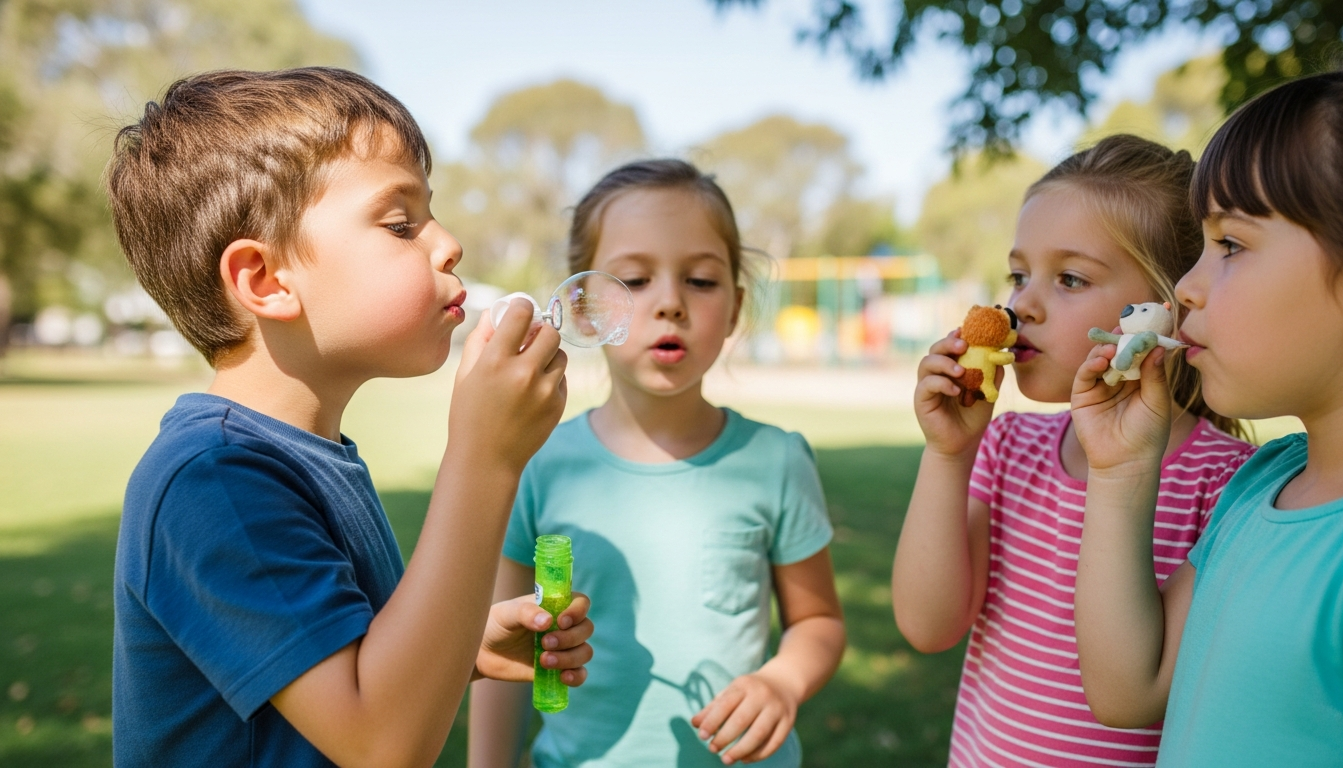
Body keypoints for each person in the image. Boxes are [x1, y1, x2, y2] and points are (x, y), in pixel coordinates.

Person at [108, 68, 594, 768]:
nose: (448, 242)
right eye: (401, 223)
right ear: (266, 280)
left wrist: (463, 645)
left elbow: (346, 681)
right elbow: (382, 744)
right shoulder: (214, 479)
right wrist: (486, 459)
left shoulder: (313, 455)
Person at [1072, 49, 1343, 766]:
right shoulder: (1262, 484)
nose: (1184, 289)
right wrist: (1123, 469)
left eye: (1229, 244)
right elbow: (1128, 691)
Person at [469, 159, 845, 767]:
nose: (670, 302)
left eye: (700, 280)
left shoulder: (775, 460)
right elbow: (501, 652)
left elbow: (819, 620)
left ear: (735, 307)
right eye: (635, 281)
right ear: (584, 308)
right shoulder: (534, 462)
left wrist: (783, 682)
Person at [892, 135, 1255, 766]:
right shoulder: (1006, 447)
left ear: (1165, 307)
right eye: (1018, 274)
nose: (1019, 304)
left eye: (1069, 278)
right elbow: (929, 626)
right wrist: (949, 455)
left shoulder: (1227, 484)